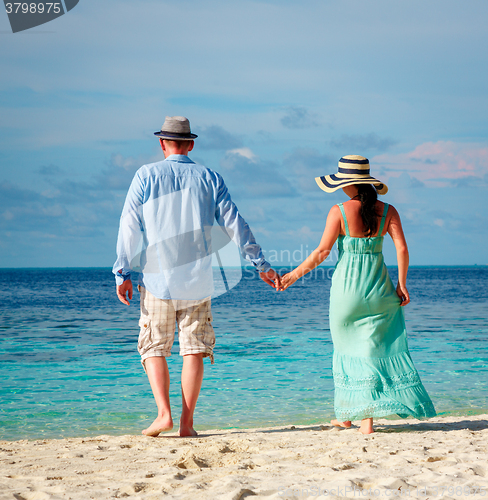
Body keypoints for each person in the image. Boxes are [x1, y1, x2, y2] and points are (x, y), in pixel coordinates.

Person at [113, 116, 281, 437]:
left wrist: (122, 272)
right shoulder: (209, 177)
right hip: (197, 280)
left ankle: (164, 414)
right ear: (190, 144)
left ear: (162, 143)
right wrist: (261, 264)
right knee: (194, 348)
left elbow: (129, 226)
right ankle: (187, 424)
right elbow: (235, 224)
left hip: (157, 278)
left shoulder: (145, 175)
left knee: (153, 347)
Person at [279, 155, 436, 434]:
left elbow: (322, 252)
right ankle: (355, 418)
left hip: (346, 292)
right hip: (380, 289)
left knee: (346, 350)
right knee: (372, 349)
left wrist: (291, 276)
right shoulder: (388, 210)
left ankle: (359, 419)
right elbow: (401, 249)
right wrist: (401, 284)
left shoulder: (338, 211)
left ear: (347, 184)